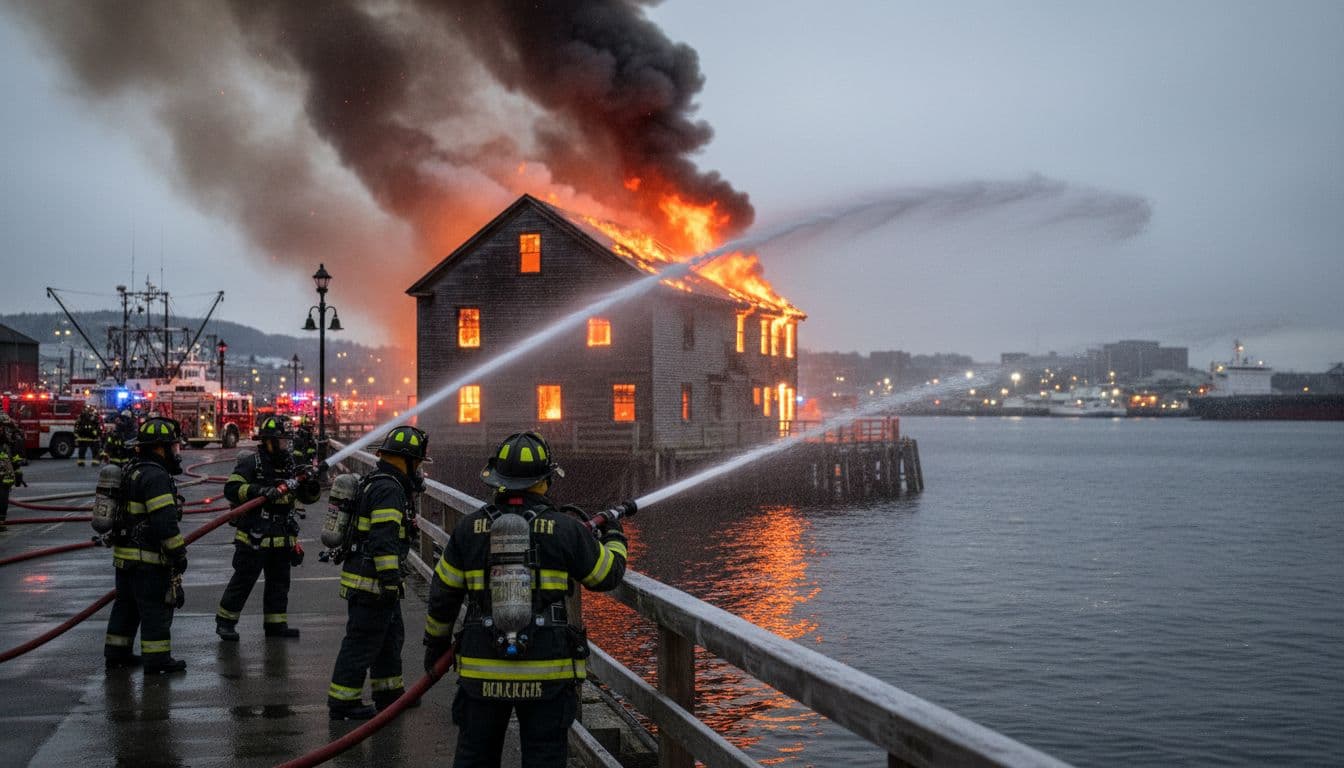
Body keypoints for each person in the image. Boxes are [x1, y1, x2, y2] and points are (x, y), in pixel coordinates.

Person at [424, 431, 630, 767]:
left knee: (475, 757)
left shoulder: (469, 528)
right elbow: (606, 575)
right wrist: (616, 537)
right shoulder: (566, 529)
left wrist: (435, 645)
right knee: (545, 758)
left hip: (482, 671)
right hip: (546, 672)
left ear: (497, 481)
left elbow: (442, 595)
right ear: (545, 480)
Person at [326, 425, 426, 720]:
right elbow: (384, 541)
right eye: (418, 462)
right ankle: (343, 702)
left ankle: (389, 695)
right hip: (373, 583)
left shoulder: (381, 482)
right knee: (362, 641)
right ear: (406, 460)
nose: (419, 469)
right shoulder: (389, 489)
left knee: (390, 638)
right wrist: (391, 580)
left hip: (372, 581)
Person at [215, 415, 320, 641]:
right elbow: (232, 489)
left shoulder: (291, 464)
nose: (286, 445)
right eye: (283, 440)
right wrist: (259, 491)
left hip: (282, 537)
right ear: (270, 441)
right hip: (254, 535)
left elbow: (308, 498)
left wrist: (312, 483)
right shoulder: (251, 463)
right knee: (243, 581)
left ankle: (276, 626)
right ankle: (225, 622)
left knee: (279, 584)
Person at [103, 416, 189, 674]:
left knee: (125, 607)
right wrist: (178, 553)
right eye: (174, 447)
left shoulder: (132, 469)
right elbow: (164, 522)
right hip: (148, 559)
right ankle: (158, 660)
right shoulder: (156, 476)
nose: (177, 452)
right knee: (154, 610)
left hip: (124, 558)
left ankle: (117, 654)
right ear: (160, 448)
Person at [0, 412, 27, 532]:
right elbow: (15, 445)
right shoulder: (7, 424)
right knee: (3, 491)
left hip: (4, 464)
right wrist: (17, 470)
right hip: (3, 466)